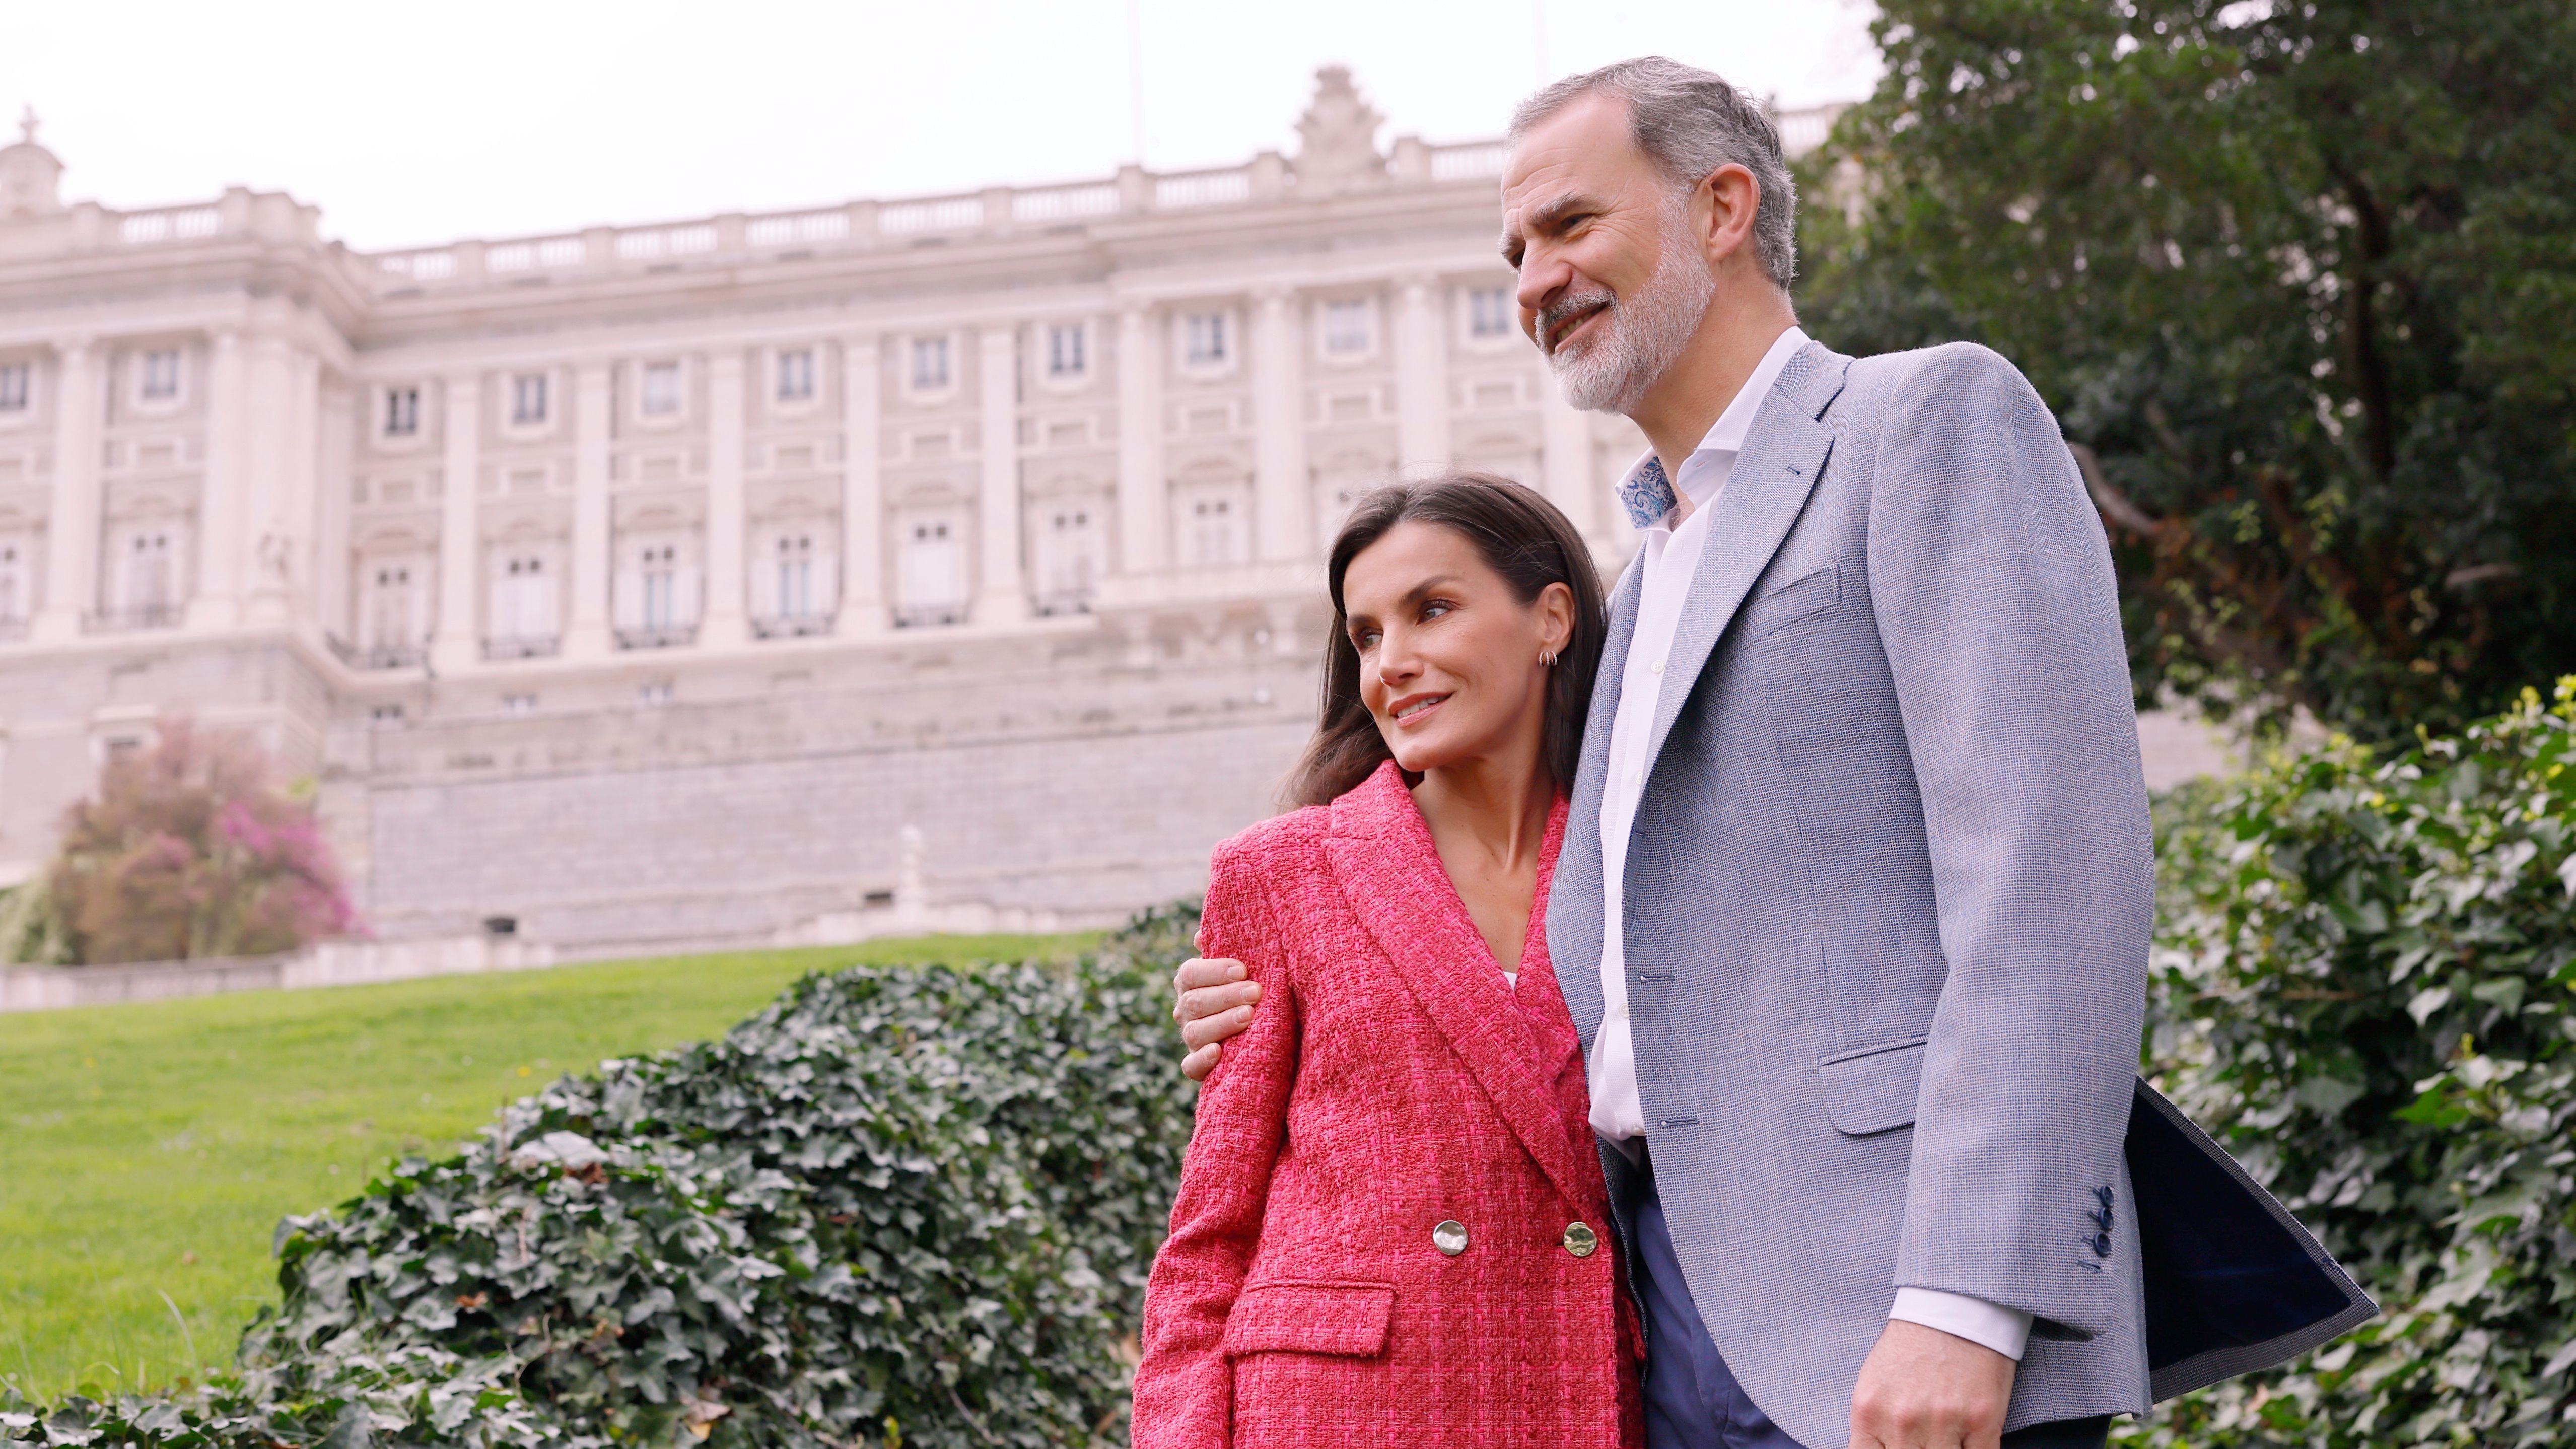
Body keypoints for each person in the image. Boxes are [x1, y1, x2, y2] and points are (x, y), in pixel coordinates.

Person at [1171, 56, 2375, 1449]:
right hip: (1666, 1314)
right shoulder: (1649, 563)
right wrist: (1267, 999)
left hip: (1891, 1303)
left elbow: (2046, 885)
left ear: (1723, 208)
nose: (1531, 277)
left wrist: (1966, 1297)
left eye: (1569, 224)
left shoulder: (1923, 420)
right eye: (1513, 249)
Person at [1132, 475, 1641, 1448]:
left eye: (1431, 610)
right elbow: (1209, 1236)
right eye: (1366, 634)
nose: (1392, 664)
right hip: (1338, 1408)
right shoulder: (1281, 871)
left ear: (1552, 617)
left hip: (1581, 1386)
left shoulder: (1639, 860)